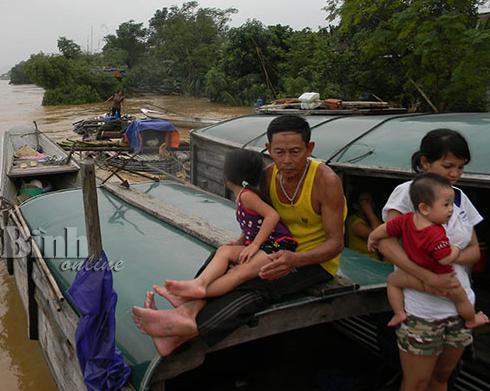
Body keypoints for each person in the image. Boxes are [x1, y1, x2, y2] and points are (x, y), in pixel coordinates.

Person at [132, 114, 346, 356]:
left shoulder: (325, 181)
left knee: (258, 284)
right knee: (222, 257)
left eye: (296, 152)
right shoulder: (267, 176)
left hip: (312, 261)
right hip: (273, 247)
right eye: (279, 152)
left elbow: (336, 244)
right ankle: (186, 312)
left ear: (309, 149)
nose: (287, 160)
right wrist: (241, 243)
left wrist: (294, 260)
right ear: (268, 150)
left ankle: (189, 329)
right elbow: (259, 220)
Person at [378, 129, 484, 391]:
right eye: (448, 166)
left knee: (441, 378)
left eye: (460, 167)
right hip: (421, 309)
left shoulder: (459, 199)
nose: (455, 173)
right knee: (417, 382)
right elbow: (387, 245)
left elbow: (474, 251)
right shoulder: (409, 194)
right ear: (425, 162)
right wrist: (428, 277)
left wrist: (452, 255)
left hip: (459, 307)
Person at [159, 149, 298, 306]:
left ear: (226, 176)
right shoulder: (243, 196)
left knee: (237, 273)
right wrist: (240, 241)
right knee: (224, 251)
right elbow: (252, 227)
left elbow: (272, 216)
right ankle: (199, 284)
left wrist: (254, 245)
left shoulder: (247, 196)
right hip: (265, 244)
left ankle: (193, 294)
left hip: (277, 245)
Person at [368, 173, 488, 329]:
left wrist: (372, 237)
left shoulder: (406, 219)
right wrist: (456, 248)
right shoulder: (436, 234)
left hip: (414, 276)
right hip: (443, 278)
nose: (451, 210)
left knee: (393, 281)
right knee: (462, 300)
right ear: (424, 208)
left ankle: (399, 312)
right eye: (446, 205)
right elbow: (444, 259)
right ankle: (472, 320)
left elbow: (385, 229)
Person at [345, 188, 383, 260]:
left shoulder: (368, 220)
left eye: (371, 202)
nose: (369, 205)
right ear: (356, 206)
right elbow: (379, 235)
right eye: (365, 202)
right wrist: (368, 211)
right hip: (363, 263)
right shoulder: (356, 224)